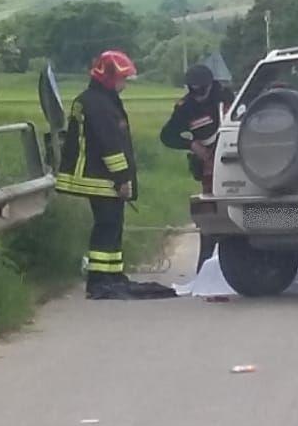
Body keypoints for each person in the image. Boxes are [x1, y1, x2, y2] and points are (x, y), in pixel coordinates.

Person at [54, 50, 173, 300]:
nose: (125, 84)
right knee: (107, 226)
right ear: (108, 77)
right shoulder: (98, 104)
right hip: (99, 177)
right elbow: (110, 145)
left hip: (99, 175)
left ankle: (111, 275)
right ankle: (100, 280)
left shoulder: (97, 100)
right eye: (122, 79)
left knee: (112, 225)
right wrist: (121, 179)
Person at [160, 64, 231, 272]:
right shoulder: (186, 107)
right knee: (210, 218)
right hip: (209, 166)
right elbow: (167, 136)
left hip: (236, 159)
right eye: (193, 90)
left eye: (200, 90)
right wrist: (192, 144)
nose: (197, 95)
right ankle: (205, 268)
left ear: (210, 86)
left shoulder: (227, 97)